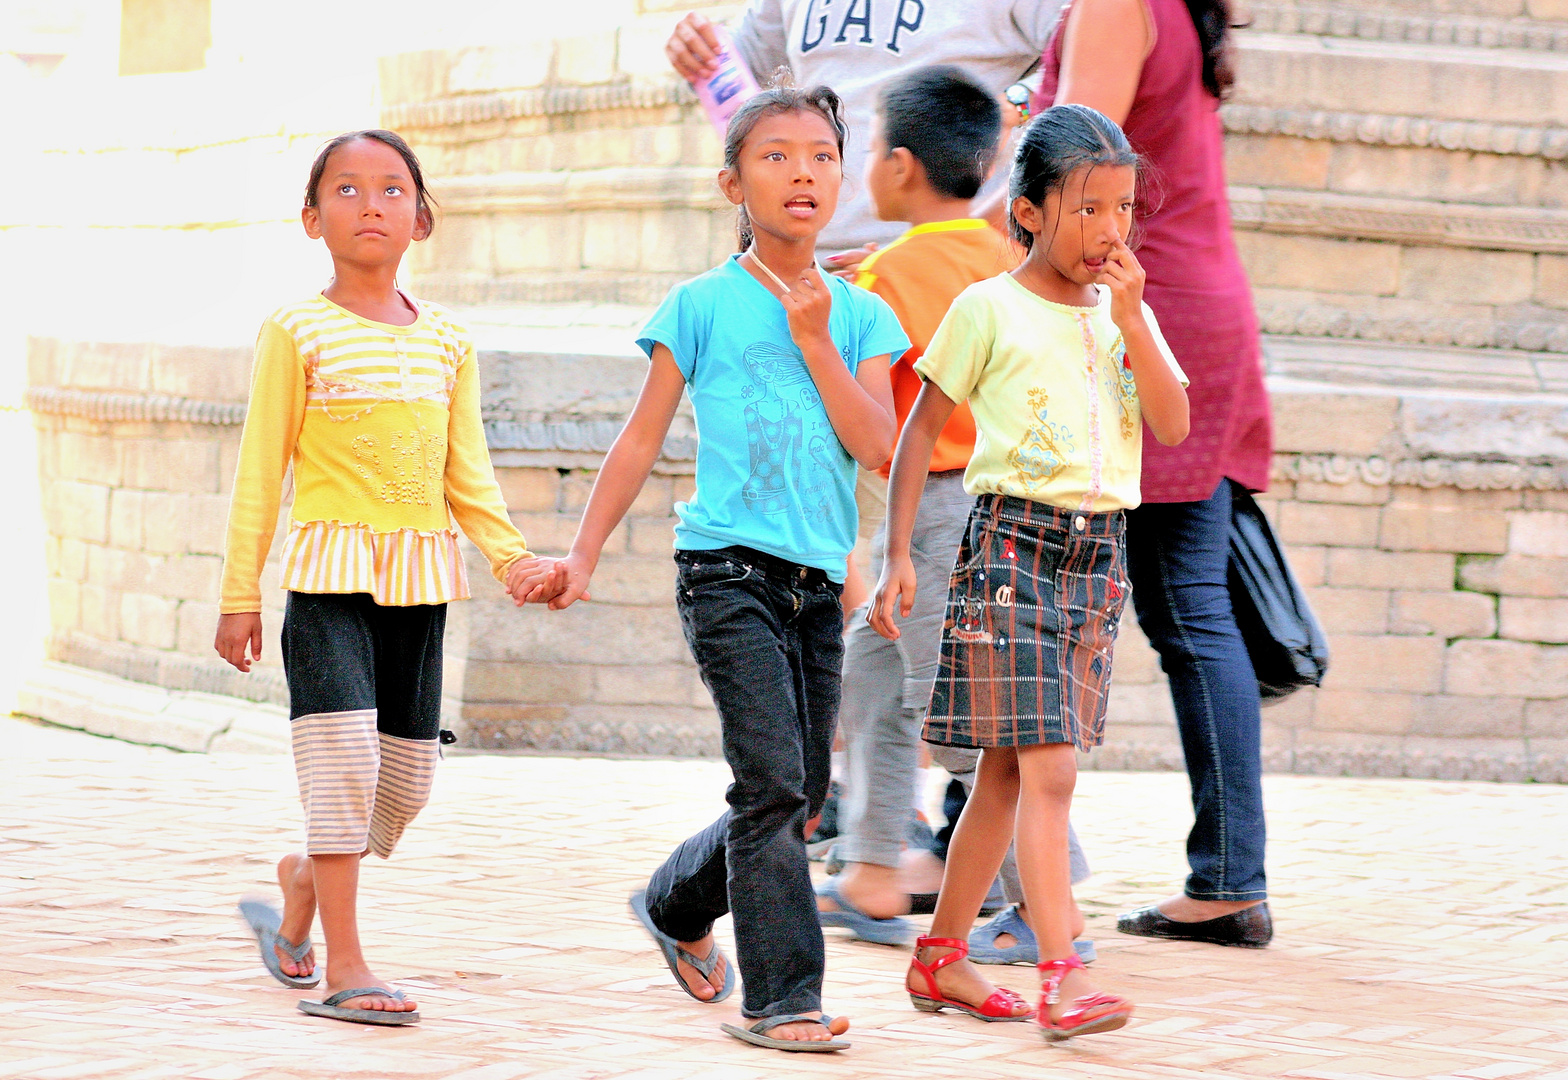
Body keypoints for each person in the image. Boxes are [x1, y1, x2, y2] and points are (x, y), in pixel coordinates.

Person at [513, 85, 908, 1053]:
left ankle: (673, 901)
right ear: (732, 182)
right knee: (773, 778)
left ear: (841, 175)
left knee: (797, 792)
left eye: (819, 154)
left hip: (817, 583)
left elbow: (878, 445)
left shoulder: (861, 316)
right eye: (775, 156)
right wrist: (582, 552)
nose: (801, 172)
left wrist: (815, 339)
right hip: (724, 572)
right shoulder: (696, 306)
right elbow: (639, 439)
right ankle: (781, 998)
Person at [870, 104, 1189, 1038]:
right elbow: (920, 429)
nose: (1110, 231)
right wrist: (897, 554)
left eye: (1123, 209)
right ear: (1029, 211)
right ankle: (1062, 972)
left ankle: (940, 958)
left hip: (1097, 558)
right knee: (1049, 771)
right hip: (1010, 547)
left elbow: (1170, 424)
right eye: (1087, 209)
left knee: (1007, 775)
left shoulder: (1125, 313)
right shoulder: (988, 308)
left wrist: (1133, 319)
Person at [215, 130, 536, 1026]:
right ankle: (346, 966)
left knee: (403, 785)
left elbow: (466, 471)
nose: (370, 204)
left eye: (392, 189)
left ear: (421, 219)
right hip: (328, 581)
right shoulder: (296, 330)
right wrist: (239, 593)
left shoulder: (448, 342)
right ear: (313, 220)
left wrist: (514, 561)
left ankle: (303, 882)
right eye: (347, 190)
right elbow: (259, 469)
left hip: (420, 586)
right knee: (343, 764)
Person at [1038, 0, 1276, 947]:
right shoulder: (1173, 7)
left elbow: (1075, 178)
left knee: (1069, 599)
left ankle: (1219, 877)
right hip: (1194, 308)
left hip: (1148, 317)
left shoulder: (1115, 6)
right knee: (1189, 610)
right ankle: (1227, 875)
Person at [812, 65, 1015, 945]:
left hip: (935, 518)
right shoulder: (1006, 259)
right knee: (875, 678)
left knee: (962, 717)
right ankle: (872, 872)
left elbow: (872, 418)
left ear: (897, 166)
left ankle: (1043, 892)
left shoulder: (887, 277)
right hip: (995, 508)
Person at [664, 1, 1064, 262]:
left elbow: (1095, 60)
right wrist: (698, 50)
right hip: (804, 265)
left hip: (950, 271)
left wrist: (1011, 105)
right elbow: (745, 74)